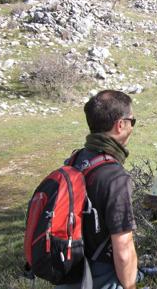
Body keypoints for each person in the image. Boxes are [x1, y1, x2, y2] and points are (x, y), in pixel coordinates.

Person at [57, 90, 140, 289]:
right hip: (100, 278)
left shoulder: (75, 160)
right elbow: (123, 249)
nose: (132, 126)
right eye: (132, 121)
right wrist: (130, 285)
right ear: (120, 125)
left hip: (69, 271)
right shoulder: (115, 178)